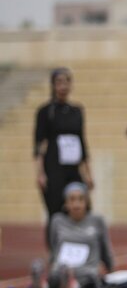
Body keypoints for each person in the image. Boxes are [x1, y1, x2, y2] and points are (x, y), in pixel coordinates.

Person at [34, 67, 93, 251]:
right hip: (54, 168)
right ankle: (55, 252)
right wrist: (40, 172)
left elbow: (82, 142)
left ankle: (79, 247)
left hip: (73, 168)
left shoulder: (77, 110)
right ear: (53, 85)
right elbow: (39, 144)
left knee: (81, 207)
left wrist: (88, 172)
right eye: (59, 82)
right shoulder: (45, 112)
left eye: (66, 82)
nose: (63, 87)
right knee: (55, 212)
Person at [31, 183, 113, 288]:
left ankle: (72, 286)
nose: (76, 204)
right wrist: (52, 264)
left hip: (87, 269)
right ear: (66, 203)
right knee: (56, 274)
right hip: (62, 268)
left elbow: (106, 247)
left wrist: (110, 270)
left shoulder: (96, 221)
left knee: (90, 279)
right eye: (72, 200)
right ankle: (44, 285)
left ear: (87, 202)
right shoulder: (57, 221)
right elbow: (53, 246)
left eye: (80, 199)